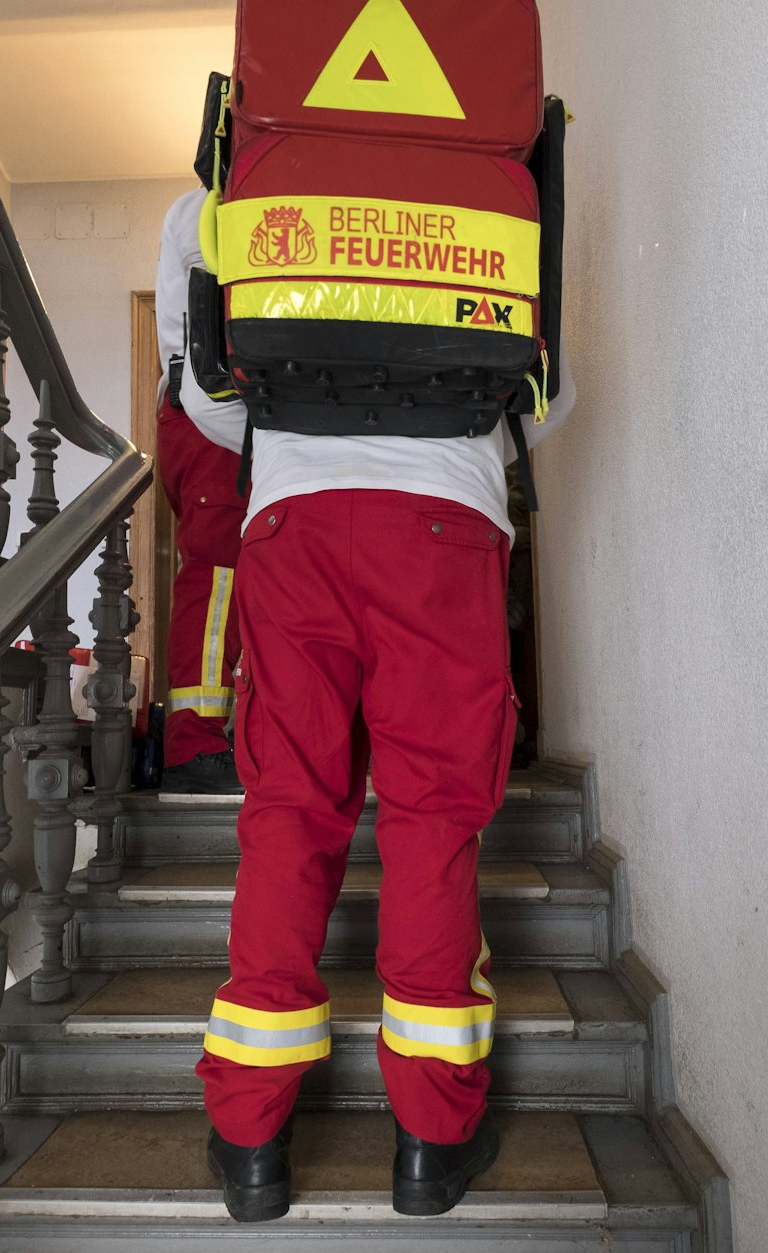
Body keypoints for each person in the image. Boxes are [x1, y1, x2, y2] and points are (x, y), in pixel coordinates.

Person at [175, 226, 575, 1220]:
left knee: (288, 811)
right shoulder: (494, 170)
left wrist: (316, 437)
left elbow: (203, 396)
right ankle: (431, 1142)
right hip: (443, 518)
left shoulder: (218, 189)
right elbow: (548, 387)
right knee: (432, 815)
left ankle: (250, 1137)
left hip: (292, 523)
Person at [152, 187, 247, 795]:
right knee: (217, 576)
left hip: (218, 415)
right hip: (211, 412)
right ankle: (192, 744)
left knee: (240, 581)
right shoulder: (205, 209)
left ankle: (221, 736)